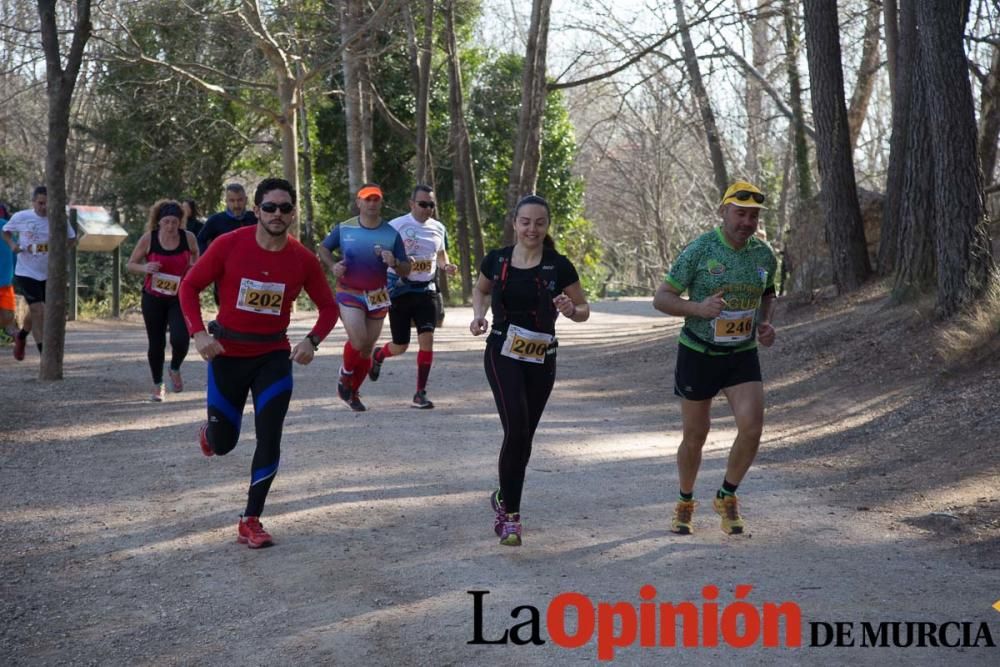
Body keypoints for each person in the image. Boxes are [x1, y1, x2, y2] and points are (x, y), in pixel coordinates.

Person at [179, 177, 339, 549]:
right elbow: (189, 286)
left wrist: (312, 341)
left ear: (293, 213)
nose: (277, 214)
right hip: (227, 355)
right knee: (224, 444)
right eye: (270, 207)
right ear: (256, 210)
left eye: (285, 208)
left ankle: (251, 519)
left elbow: (329, 307)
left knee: (270, 436)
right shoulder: (228, 244)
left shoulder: (301, 258)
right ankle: (210, 434)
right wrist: (200, 334)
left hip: (272, 356)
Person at [652, 180, 778, 537]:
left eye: (753, 217)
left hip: (741, 354)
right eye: (740, 214)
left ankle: (727, 495)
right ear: (724, 211)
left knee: (752, 428)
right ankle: (685, 501)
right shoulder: (700, 250)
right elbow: (662, 298)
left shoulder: (765, 254)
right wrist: (698, 308)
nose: (747, 222)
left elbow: (768, 294)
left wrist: (766, 323)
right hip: (698, 352)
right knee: (696, 435)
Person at [470, 194, 590, 547]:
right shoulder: (497, 260)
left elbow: (584, 308)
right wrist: (479, 315)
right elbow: (481, 290)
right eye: (525, 222)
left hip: (542, 356)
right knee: (517, 429)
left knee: (524, 438)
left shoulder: (559, 265)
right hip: (503, 351)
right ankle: (511, 518)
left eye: (539, 222)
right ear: (515, 224)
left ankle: (504, 494)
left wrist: (571, 309)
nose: (532, 229)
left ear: (547, 225)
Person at [318, 184, 411, 412]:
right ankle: (345, 374)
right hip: (349, 291)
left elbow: (406, 268)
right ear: (359, 202)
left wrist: (395, 262)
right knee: (358, 340)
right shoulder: (345, 228)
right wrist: (332, 265)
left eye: (375, 200)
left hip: (377, 294)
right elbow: (323, 248)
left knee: (368, 349)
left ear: (380, 203)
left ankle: (353, 392)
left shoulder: (390, 233)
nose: (371, 204)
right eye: (366, 199)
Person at [367, 185, 457, 409]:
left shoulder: (438, 228)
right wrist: (386, 255)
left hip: (426, 290)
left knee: (427, 340)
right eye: (423, 204)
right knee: (401, 345)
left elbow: (441, 255)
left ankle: (420, 393)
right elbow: (376, 248)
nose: (427, 209)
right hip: (400, 290)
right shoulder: (397, 225)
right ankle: (379, 355)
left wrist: (447, 267)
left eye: (431, 205)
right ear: (411, 204)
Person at [125, 199, 199, 401]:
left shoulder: (188, 238)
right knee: (156, 344)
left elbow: (196, 258)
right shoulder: (149, 239)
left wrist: (192, 269)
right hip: (153, 297)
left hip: (178, 296)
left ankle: (175, 368)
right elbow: (131, 264)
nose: (170, 226)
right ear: (159, 222)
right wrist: (145, 268)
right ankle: (158, 385)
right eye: (166, 222)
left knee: (180, 339)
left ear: (180, 222)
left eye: (174, 222)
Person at [2, 186, 77, 361]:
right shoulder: (21, 217)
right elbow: (5, 231)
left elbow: (72, 238)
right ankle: (45, 355)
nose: (44, 207)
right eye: (40, 203)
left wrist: (60, 252)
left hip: (49, 272)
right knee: (38, 309)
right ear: (34, 202)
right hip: (26, 271)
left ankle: (21, 336)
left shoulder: (59, 219)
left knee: (38, 311)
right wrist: (13, 245)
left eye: (47, 203)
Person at [196, 183, 256, 255]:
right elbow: (200, 241)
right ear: (226, 201)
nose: (236, 205)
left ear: (246, 200)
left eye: (240, 200)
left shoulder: (254, 218)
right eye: (232, 201)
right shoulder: (215, 220)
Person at [0, 201, 17, 342]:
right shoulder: (7, 227)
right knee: (8, 315)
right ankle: (9, 331)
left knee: (7, 315)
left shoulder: (6, 227)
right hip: (6, 278)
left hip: (5, 278)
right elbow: (15, 253)